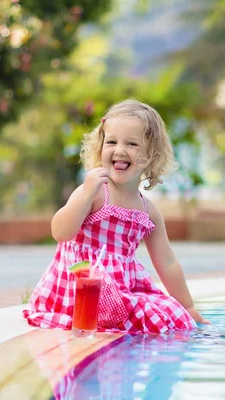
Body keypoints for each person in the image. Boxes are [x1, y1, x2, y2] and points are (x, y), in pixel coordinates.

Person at [23, 99, 209, 333]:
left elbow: (168, 263)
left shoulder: (148, 211)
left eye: (132, 144)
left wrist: (187, 306)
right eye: (111, 142)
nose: (120, 150)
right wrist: (84, 194)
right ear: (100, 147)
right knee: (112, 316)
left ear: (152, 155)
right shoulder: (94, 193)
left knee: (171, 315)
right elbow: (61, 232)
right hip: (81, 289)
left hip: (121, 293)